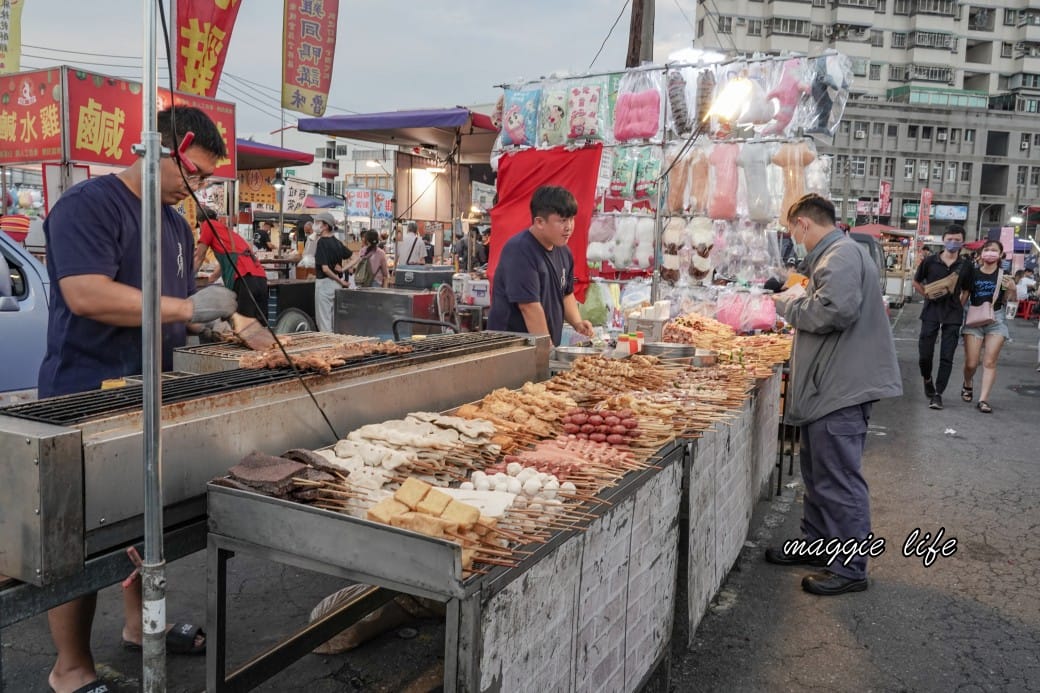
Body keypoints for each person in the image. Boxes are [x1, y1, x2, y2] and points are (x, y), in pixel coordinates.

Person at [39, 105, 235, 693]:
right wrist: (187, 308)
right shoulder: (89, 205)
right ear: (168, 148)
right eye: (194, 173)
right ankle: (69, 668)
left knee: (143, 518)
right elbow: (87, 294)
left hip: (150, 391)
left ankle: (137, 626)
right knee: (79, 538)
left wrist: (215, 325)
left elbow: (172, 305)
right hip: (85, 391)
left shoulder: (176, 224)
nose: (196, 188)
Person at [764, 193, 901, 596]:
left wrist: (787, 307)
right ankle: (818, 544)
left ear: (803, 224)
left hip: (841, 387)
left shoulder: (839, 256)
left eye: (793, 231)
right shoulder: (836, 254)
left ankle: (850, 567)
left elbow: (835, 311)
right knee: (819, 473)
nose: (794, 240)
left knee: (838, 478)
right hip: (831, 385)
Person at [487, 185, 594, 346]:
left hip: (540, 346)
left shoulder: (564, 252)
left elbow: (566, 293)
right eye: (562, 220)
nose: (569, 227)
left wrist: (577, 323)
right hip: (511, 349)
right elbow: (529, 307)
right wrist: (547, 349)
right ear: (539, 222)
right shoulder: (520, 250)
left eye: (571, 219)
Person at [911, 225, 969, 410]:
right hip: (931, 312)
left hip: (953, 315)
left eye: (957, 239)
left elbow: (967, 289)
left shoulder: (966, 265)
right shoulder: (929, 261)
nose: (953, 242)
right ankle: (927, 378)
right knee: (925, 354)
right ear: (943, 240)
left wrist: (959, 305)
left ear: (962, 242)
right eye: (950, 239)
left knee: (947, 356)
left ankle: (938, 394)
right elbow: (916, 281)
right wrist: (926, 295)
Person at [959, 239, 1016, 413]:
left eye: (994, 250)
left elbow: (1010, 303)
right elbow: (964, 296)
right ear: (981, 254)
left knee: (990, 362)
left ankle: (983, 399)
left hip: (996, 320)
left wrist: (1012, 289)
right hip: (974, 318)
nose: (990, 253)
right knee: (971, 363)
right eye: (987, 250)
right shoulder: (972, 273)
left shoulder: (1004, 275)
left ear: (1000, 255)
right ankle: (968, 383)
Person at [193, 207, 269, 324]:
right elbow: (228, 260)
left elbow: (199, 256)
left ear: (199, 222)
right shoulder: (226, 231)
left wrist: (187, 281)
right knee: (260, 326)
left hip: (244, 278)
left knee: (244, 327)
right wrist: (211, 279)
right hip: (260, 278)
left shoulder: (208, 225)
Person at [313, 211, 352, 332]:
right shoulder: (337, 242)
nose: (316, 225)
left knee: (324, 321)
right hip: (336, 286)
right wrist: (343, 271)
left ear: (325, 225)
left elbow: (325, 269)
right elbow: (356, 257)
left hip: (325, 284)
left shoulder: (322, 242)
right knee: (335, 320)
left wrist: (340, 279)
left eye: (318, 223)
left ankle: (328, 348)